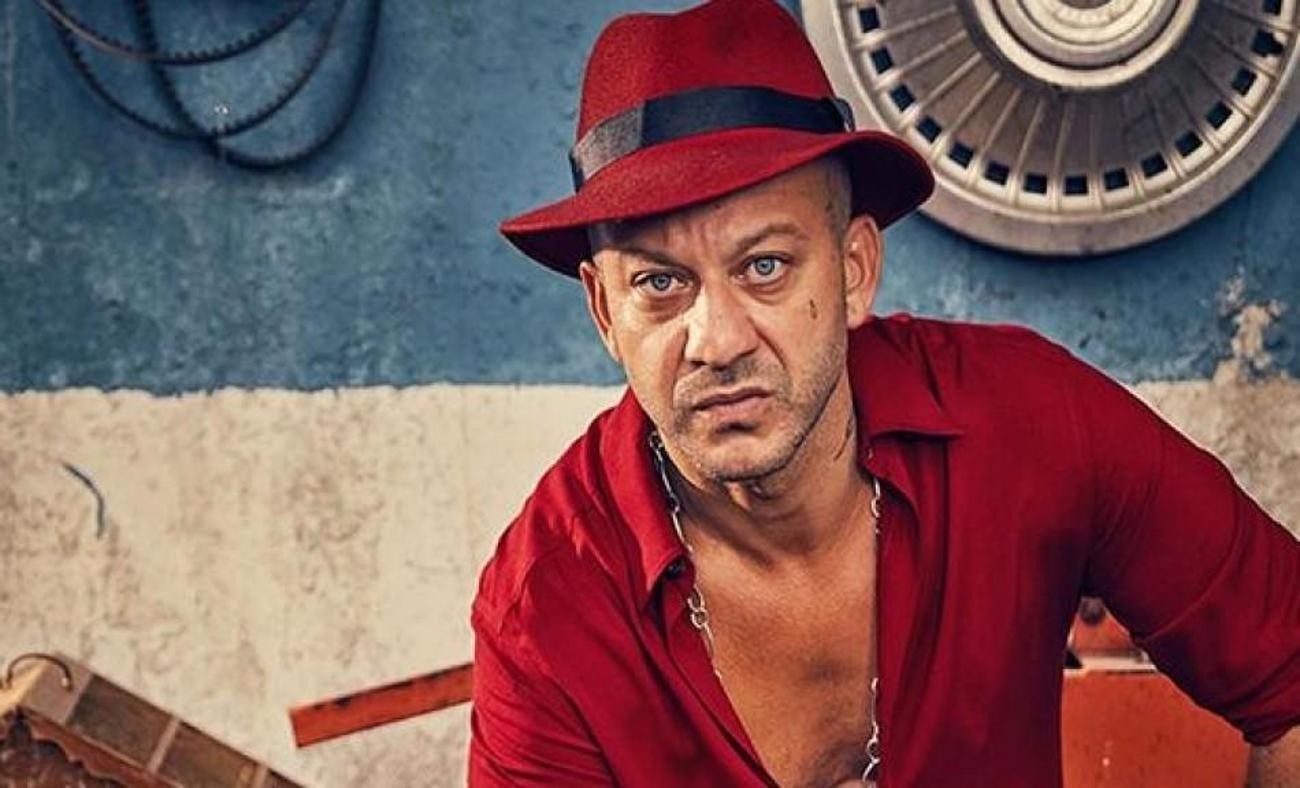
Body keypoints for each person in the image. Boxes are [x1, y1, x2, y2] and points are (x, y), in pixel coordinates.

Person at [468, 0, 1300, 784]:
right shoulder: (547, 607)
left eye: (765, 266)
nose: (715, 343)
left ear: (853, 270)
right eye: (659, 282)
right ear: (604, 311)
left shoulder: (1030, 423)